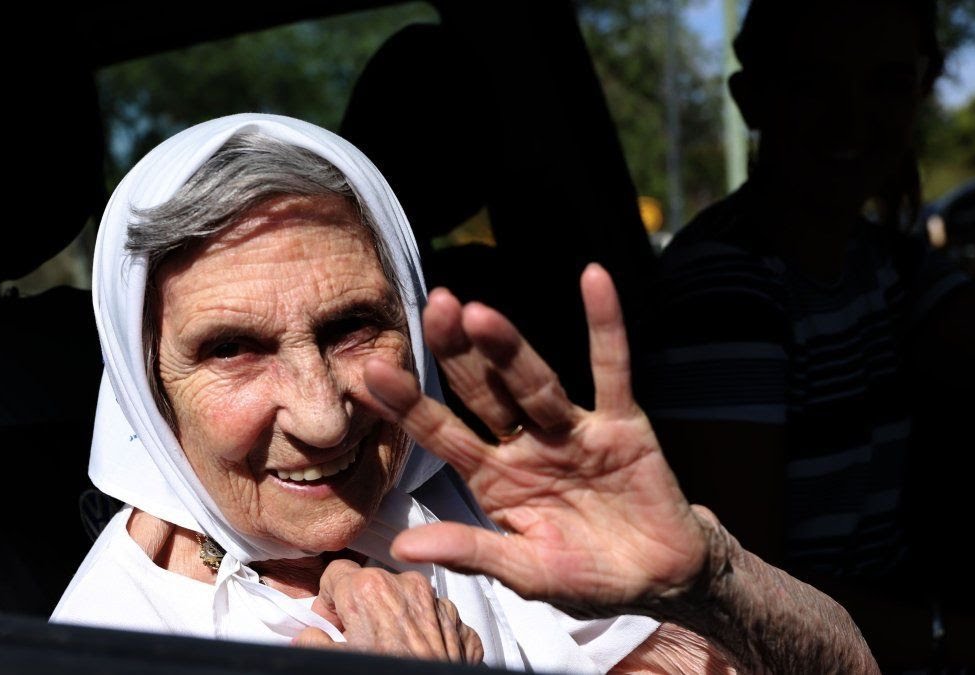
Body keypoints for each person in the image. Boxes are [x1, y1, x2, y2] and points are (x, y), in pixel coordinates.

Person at [51, 112, 876, 673]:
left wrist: (710, 576)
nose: (323, 416)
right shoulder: (109, 640)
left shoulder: (496, 514)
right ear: (146, 387)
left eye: (353, 327)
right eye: (233, 348)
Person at [636, 0, 975, 669]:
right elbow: (745, 589)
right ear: (751, 99)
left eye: (886, 84)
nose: (852, 117)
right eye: (812, 83)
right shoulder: (725, 291)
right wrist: (947, 637)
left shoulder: (884, 263)